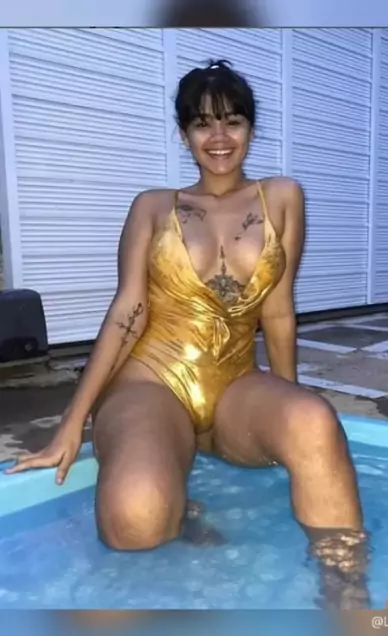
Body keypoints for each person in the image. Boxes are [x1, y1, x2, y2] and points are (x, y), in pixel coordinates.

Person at [6, 60, 368, 609]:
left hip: (234, 388)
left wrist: (287, 411)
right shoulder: (153, 207)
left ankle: (348, 596)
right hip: (151, 385)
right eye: (202, 123)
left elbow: (277, 312)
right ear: (183, 134)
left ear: (251, 128)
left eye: (233, 121)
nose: (219, 137)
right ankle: (175, 504)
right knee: (136, 519)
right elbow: (126, 313)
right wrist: (72, 422)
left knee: (313, 420)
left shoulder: (283, 197)